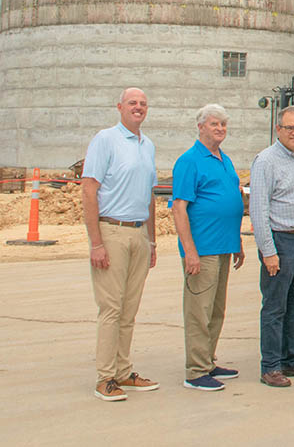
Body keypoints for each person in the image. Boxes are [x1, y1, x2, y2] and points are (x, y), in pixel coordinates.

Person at [82, 87, 159, 401]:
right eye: (132, 103)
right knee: (111, 309)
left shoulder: (148, 145)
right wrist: (96, 243)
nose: (138, 107)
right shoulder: (105, 140)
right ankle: (105, 377)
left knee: (129, 309)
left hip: (139, 233)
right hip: (111, 231)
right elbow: (89, 191)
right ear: (120, 107)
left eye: (142, 103)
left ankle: (124, 372)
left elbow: (150, 195)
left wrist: (151, 240)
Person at [170, 103, 245, 392]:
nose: (220, 129)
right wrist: (190, 251)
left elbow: (232, 203)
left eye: (223, 125)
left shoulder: (223, 160)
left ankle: (208, 360)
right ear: (200, 127)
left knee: (216, 310)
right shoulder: (190, 161)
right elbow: (179, 208)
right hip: (202, 250)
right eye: (214, 124)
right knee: (198, 311)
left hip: (224, 247)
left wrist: (237, 241)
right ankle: (195, 370)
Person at [249, 106, 294, 387]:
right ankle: (270, 366)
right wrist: (268, 251)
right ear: (277, 129)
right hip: (281, 241)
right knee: (275, 306)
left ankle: (291, 359)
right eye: (289, 128)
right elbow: (258, 209)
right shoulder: (266, 161)